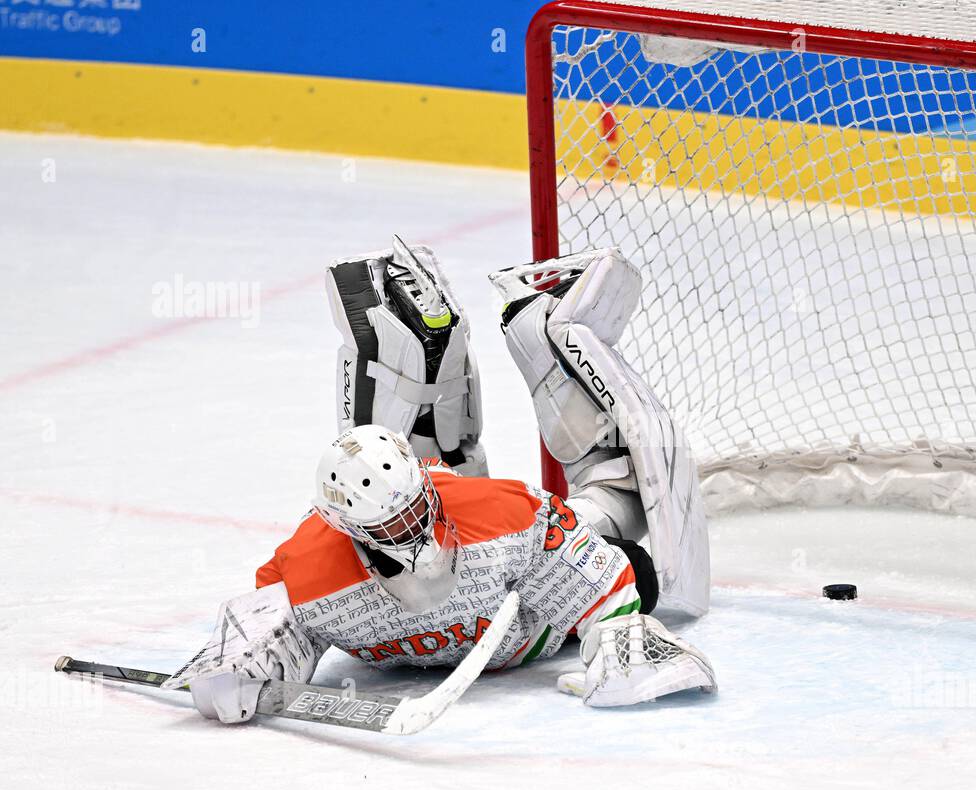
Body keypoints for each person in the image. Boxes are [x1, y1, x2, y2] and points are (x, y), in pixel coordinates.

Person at [167, 242, 716, 721]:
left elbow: (612, 590)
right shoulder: (312, 566)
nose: (415, 536)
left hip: (514, 585)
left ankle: (548, 325)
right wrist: (236, 671)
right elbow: (265, 631)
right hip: (462, 545)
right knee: (407, 460)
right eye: (389, 526)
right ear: (347, 532)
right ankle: (418, 349)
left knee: (626, 533)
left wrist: (627, 649)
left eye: (414, 510)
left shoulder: (511, 517)